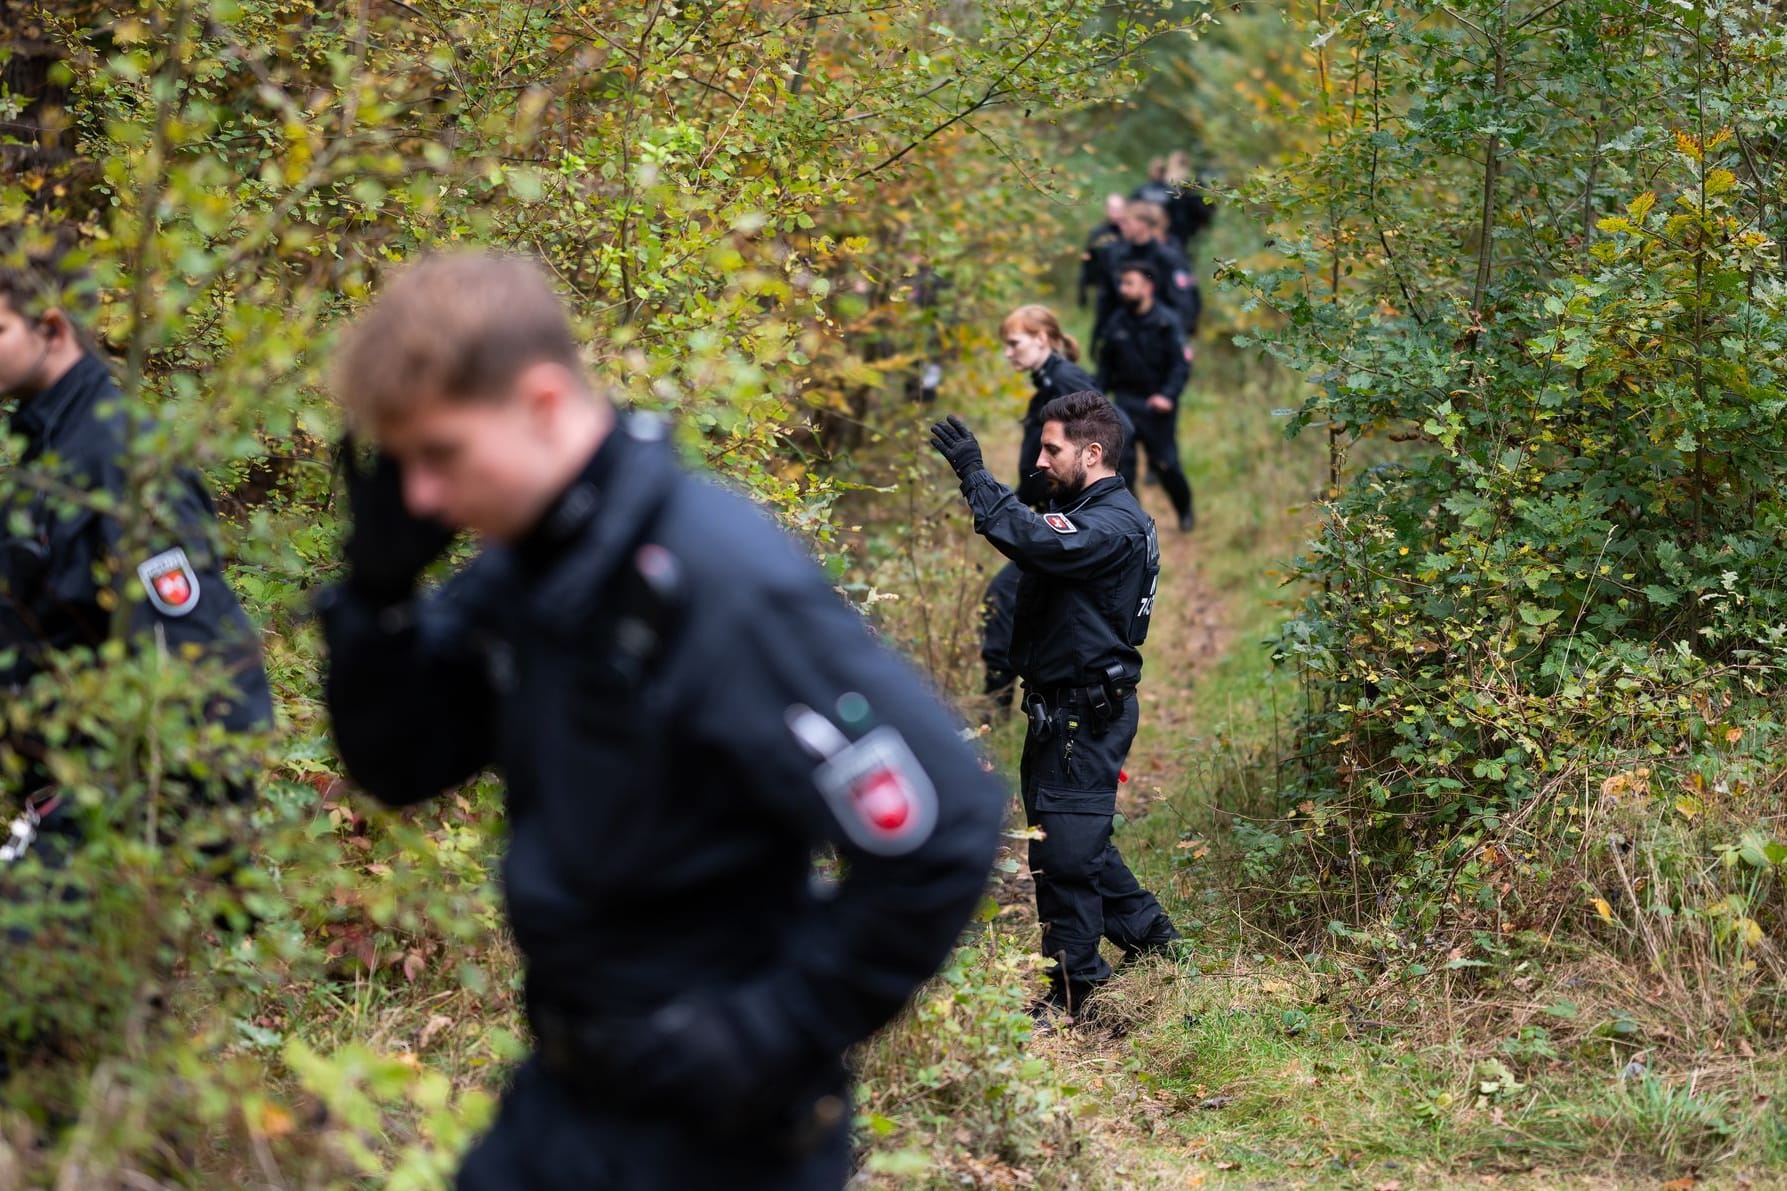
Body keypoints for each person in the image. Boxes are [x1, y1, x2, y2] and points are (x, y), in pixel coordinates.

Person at [317, 252, 1005, 1190]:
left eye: (440, 455)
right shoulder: (531, 570)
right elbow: (400, 762)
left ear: (544, 402)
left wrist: (764, 1033)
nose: (424, 495)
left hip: (721, 1135)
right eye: (406, 466)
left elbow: (946, 821)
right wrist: (377, 599)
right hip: (569, 1102)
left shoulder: (719, 581)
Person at [0, 246, 274, 1083]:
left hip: (112, 818)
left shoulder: (116, 456)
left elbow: (202, 663)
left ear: (51, 329)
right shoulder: (47, 453)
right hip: (59, 804)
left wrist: (219, 859)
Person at [930, 395, 1179, 1018]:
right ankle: (1154, 941)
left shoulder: (1111, 523)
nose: (1040, 461)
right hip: (1060, 712)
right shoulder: (1091, 512)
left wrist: (975, 475)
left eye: (1052, 450)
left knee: (1065, 855)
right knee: (1072, 837)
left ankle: (1076, 992)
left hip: (1083, 714)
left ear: (1092, 454)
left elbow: (1030, 538)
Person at [980, 306, 1131, 715]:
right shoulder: (1047, 380)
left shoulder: (1064, 381)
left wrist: (1091, 498)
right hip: (1053, 515)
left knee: (1003, 599)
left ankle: (995, 711)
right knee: (1018, 600)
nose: (1009, 353)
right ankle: (1011, 707)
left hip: (1070, 522)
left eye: (1015, 343)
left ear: (1042, 339)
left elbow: (1119, 429)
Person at [1098, 264, 1195, 533]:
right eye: (1122, 284)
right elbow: (1105, 369)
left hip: (1157, 407)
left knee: (1167, 465)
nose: (1123, 289)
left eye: (1130, 284)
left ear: (1148, 287)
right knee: (1122, 469)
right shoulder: (1117, 322)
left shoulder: (1167, 322)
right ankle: (1135, 524)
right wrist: (1097, 400)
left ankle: (1184, 510)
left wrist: (1167, 395)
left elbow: (1181, 365)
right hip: (1124, 403)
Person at [1077, 194, 1127, 316]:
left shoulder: (1129, 232)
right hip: (1104, 285)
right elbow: (1087, 259)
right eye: (1113, 209)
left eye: (1119, 209)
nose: (1116, 213)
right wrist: (1083, 289)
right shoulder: (1098, 233)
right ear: (1106, 210)